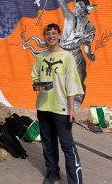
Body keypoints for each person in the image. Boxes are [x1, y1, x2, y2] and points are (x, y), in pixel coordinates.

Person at [31, 23, 83, 184]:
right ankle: (52, 172)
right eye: (48, 33)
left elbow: (72, 83)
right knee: (48, 142)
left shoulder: (67, 57)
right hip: (44, 107)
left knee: (67, 145)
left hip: (62, 108)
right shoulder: (40, 57)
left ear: (60, 35)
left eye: (54, 33)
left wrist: (72, 109)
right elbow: (35, 78)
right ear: (44, 37)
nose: (51, 36)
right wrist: (38, 85)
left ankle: (75, 180)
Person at [52, 0, 97, 107]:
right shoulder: (70, 18)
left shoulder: (88, 26)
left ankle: (74, 108)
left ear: (85, 9)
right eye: (75, 6)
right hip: (63, 54)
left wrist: (90, 55)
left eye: (78, 7)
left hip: (76, 56)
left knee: (77, 82)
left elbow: (86, 45)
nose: (76, 9)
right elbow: (62, 5)